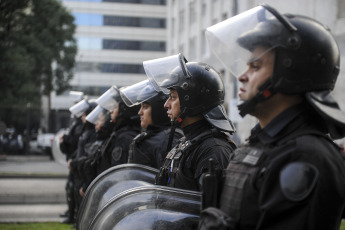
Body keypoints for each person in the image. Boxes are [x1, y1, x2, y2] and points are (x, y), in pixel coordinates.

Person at [199, 4, 345, 229]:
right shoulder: (263, 144)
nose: (242, 76)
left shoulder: (305, 156)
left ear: (290, 73)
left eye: (255, 67)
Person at [144, 54, 237, 192]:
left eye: (173, 97)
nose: (166, 104)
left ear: (191, 101)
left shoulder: (214, 150)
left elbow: (208, 208)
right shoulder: (188, 142)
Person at [120, 79, 183, 169]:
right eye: (141, 107)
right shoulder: (152, 136)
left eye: (145, 107)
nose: (139, 112)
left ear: (158, 110)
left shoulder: (168, 138)